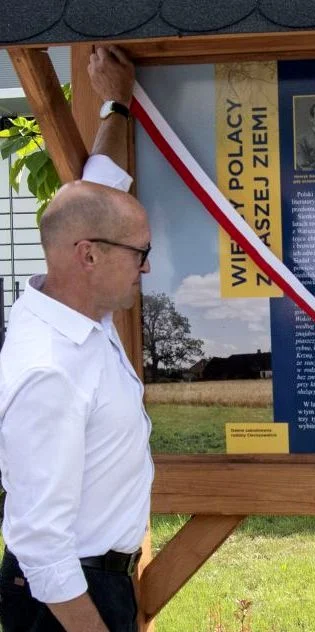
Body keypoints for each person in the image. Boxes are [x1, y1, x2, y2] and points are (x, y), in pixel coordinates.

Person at [0, 46, 152, 632]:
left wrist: (115, 102)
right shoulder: (51, 369)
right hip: (67, 600)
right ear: (87, 255)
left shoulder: (78, 310)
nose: (144, 268)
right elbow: (40, 543)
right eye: (139, 255)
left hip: (97, 580)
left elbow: (100, 186)